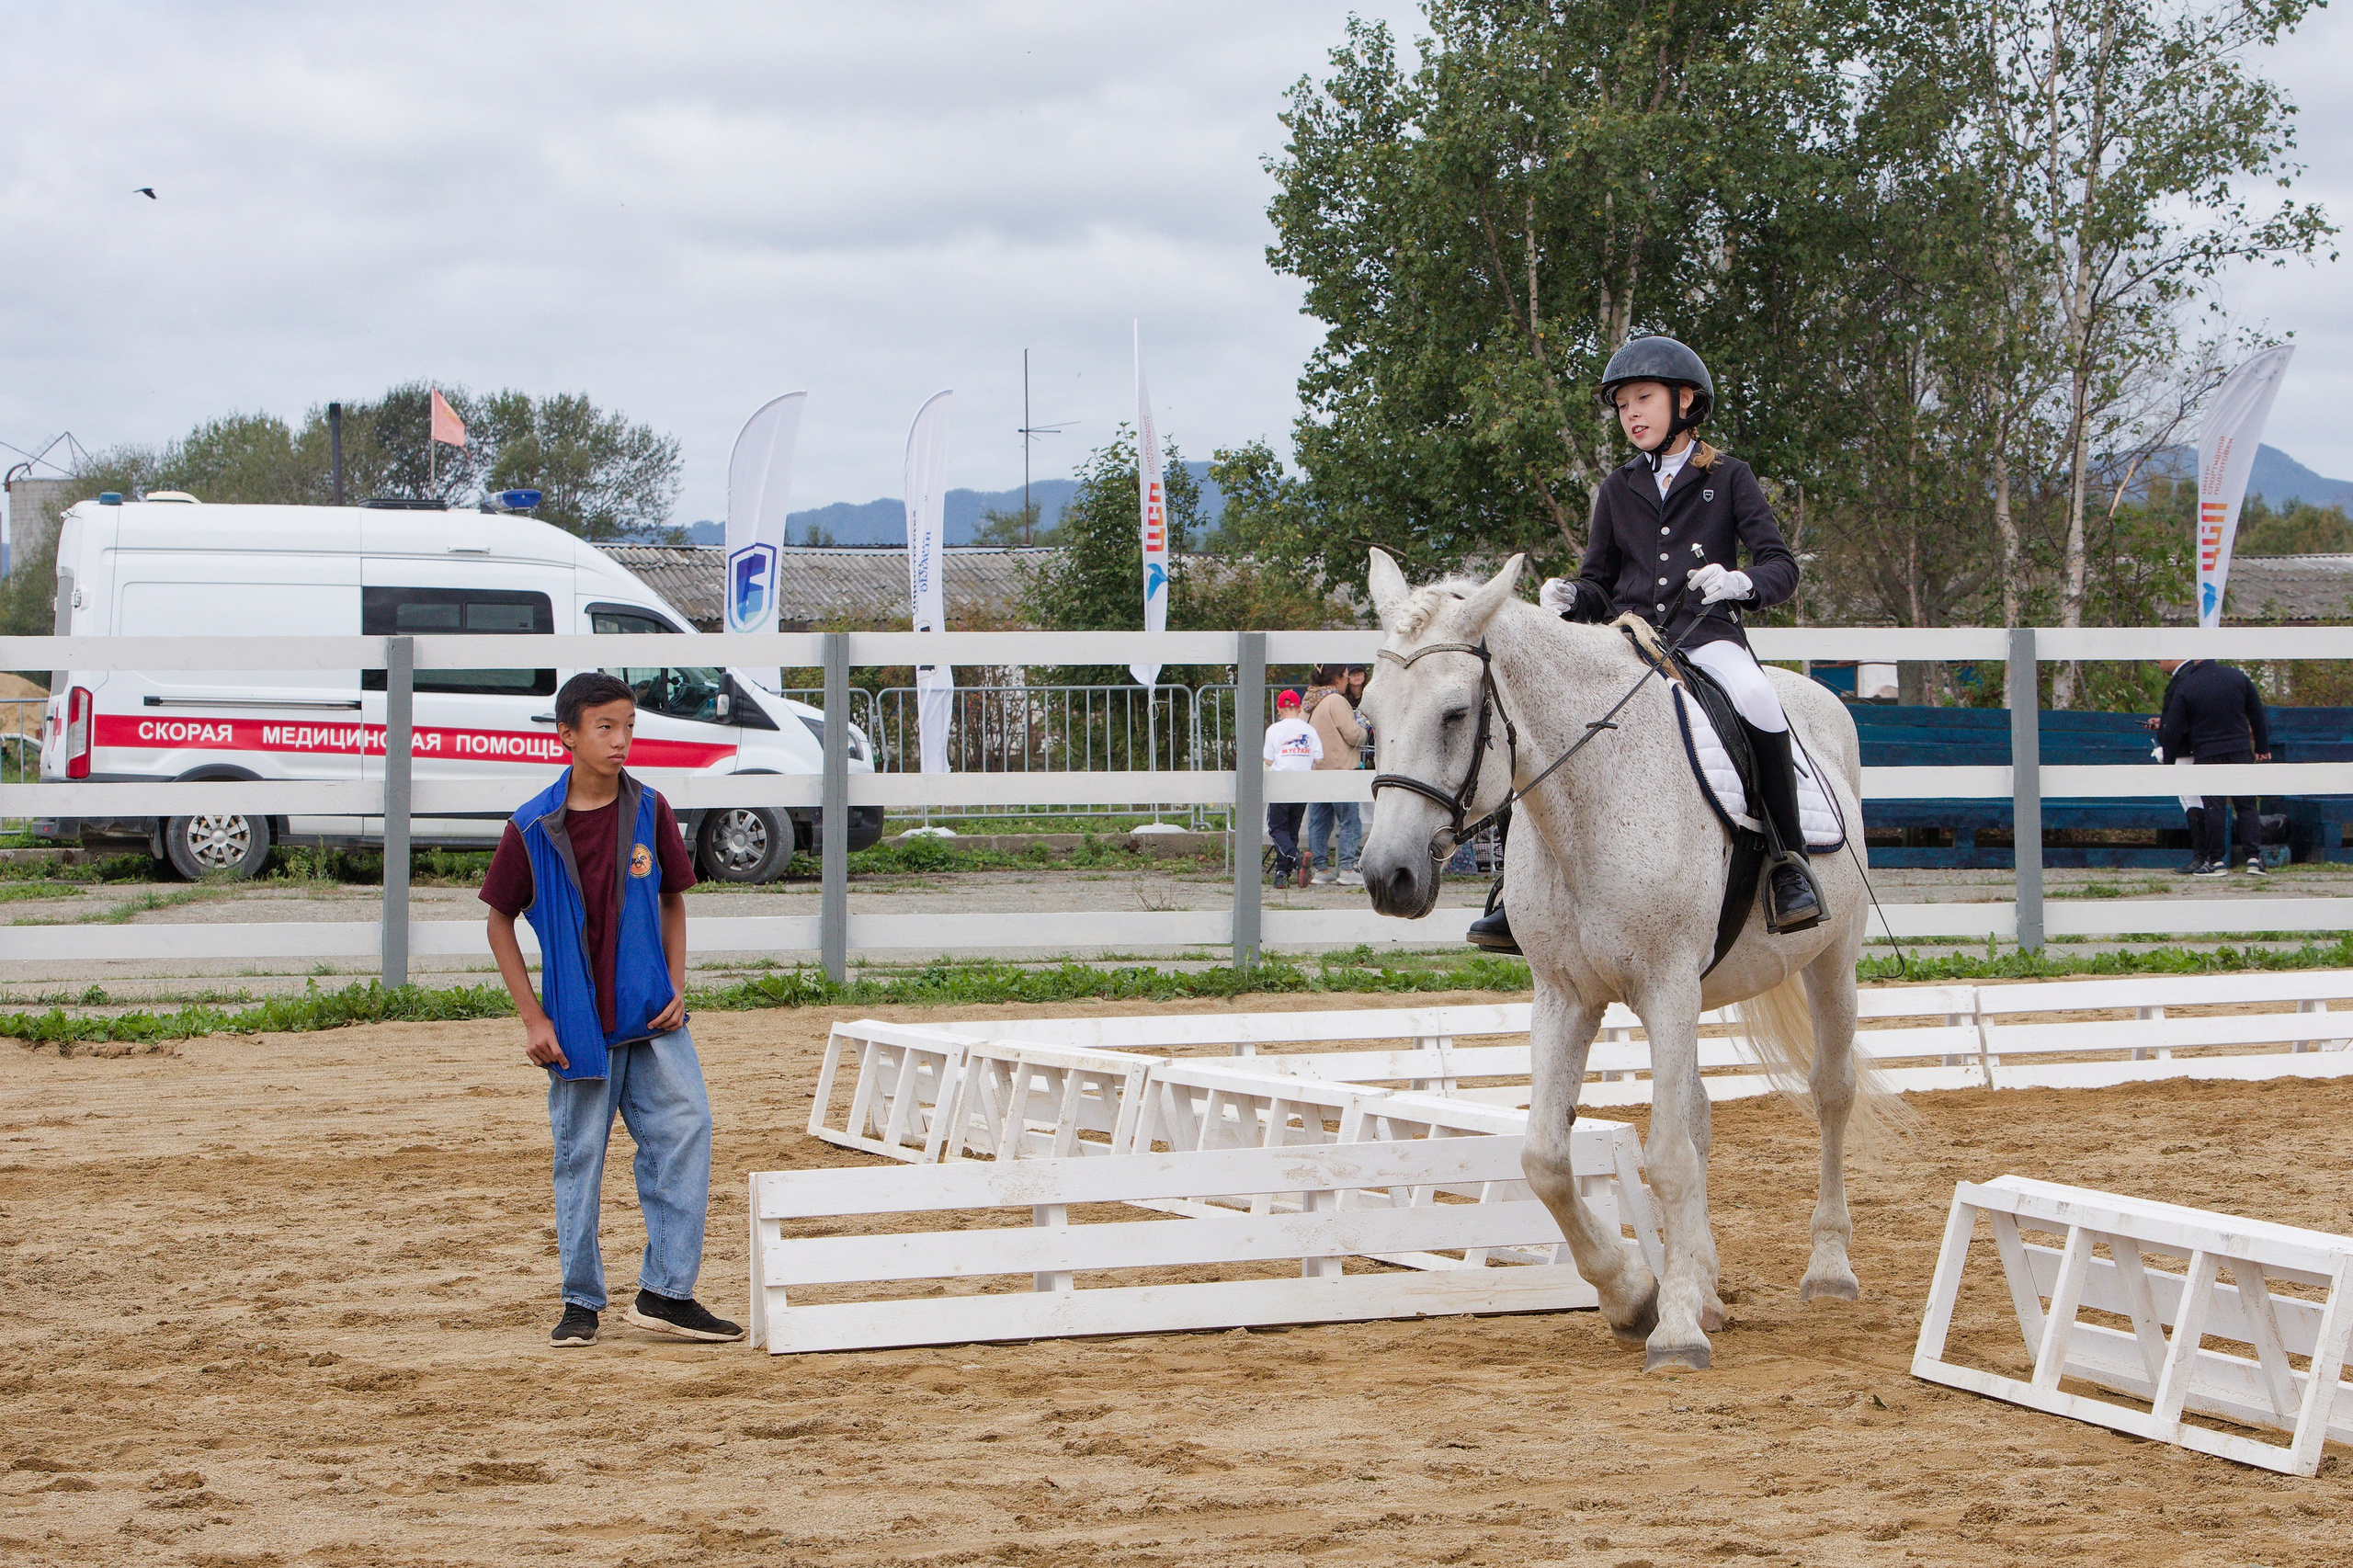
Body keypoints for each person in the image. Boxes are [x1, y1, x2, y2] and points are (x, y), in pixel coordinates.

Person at [1467, 335, 1822, 956]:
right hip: (1629, 642)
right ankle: (1511, 887)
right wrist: (1573, 597)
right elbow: (1601, 585)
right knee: (1541, 717)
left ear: (1686, 401)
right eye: (1623, 405)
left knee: (1760, 699)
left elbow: (1780, 567)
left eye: (1643, 399)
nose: (1631, 414)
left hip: (1706, 636)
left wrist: (1739, 583)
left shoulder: (1730, 477)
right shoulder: (1617, 487)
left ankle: (1788, 863)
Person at [482, 670, 744, 1348]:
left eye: (629, 725)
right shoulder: (532, 826)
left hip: (655, 1023)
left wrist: (675, 985)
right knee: (581, 1159)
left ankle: (667, 1291)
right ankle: (580, 1302)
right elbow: (498, 922)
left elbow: (671, 900)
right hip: (576, 1033)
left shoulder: (651, 808)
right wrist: (534, 1020)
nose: (622, 739)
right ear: (568, 734)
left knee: (688, 1132)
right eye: (606, 726)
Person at [2150, 655, 2272, 876]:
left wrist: (2169, 760)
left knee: (2213, 806)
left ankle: (2216, 862)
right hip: (2239, 749)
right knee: (2246, 805)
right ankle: (2254, 859)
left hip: (2208, 752)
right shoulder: (2238, 677)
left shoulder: (2186, 684)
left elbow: (2174, 728)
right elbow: (2257, 714)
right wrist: (2262, 747)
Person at [1305, 662, 1369, 886]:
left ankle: (1321, 869)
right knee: (1349, 820)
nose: (1346, 679)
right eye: (1344, 675)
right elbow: (1352, 735)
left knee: (1319, 822)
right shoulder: (1336, 701)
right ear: (1337, 678)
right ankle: (1348, 867)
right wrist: (1365, 731)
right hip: (1341, 769)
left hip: (1317, 770)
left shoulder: (1310, 700)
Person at [1263, 687, 1323, 884]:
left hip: (1281, 782)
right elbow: (1319, 759)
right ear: (1298, 708)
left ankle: (1295, 858)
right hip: (1302, 783)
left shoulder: (1274, 730)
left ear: (1279, 709)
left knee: (1276, 828)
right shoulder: (1309, 730)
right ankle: (1283, 873)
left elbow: (1268, 759)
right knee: (1292, 829)